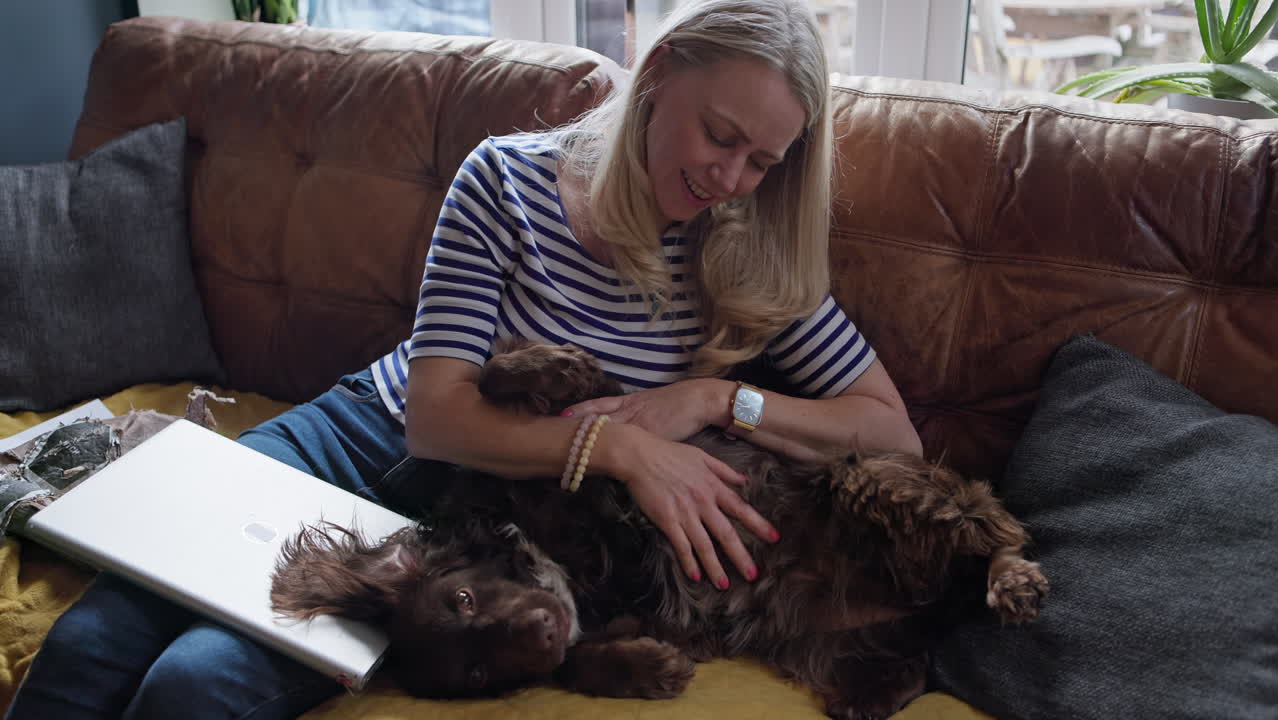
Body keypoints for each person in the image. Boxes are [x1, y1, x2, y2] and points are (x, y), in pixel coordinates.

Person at [6, 1, 921, 718]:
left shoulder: (750, 256)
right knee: (99, 632)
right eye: (720, 137)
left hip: (472, 531)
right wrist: (623, 448)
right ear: (661, 75)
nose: (730, 179)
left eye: (762, 162)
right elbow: (435, 416)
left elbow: (892, 438)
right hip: (361, 432)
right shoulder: (509, 180)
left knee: (195, 688)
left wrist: (721, 400)